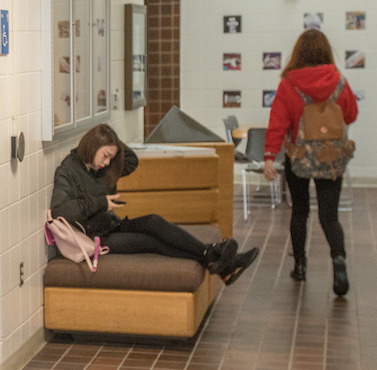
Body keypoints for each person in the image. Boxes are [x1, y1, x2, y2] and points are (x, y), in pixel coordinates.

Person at [50, 124, 258, 284]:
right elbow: (61, 211)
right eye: (105, 155)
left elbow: (131, 160)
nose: (107, 163)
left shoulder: (104, 169)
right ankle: (214, 257)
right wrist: (100, 202)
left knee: (153, 221)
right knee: (149, 242)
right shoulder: (68, 170)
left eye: (111, 158)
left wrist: (111, 140)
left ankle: (214, 258)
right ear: (93, 145)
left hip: (110, 225)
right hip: (93, 238)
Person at [262, 29, 357, 295]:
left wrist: (269, 156)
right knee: (330, 216)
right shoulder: (339, 82)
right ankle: (338, 262)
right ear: (326, 51)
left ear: (298, 53)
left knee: (300, 212)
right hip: (332, 160)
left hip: (298, 158)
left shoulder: (288, 84)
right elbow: (350, 115)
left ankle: (300, 266)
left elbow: (278, 124)